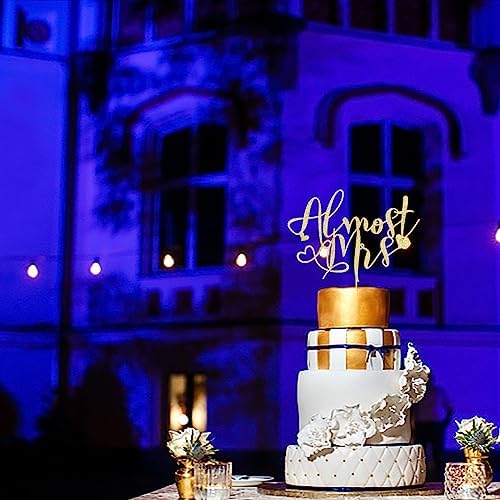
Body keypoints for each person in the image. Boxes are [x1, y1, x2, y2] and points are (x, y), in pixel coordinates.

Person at [413, 377, 453, 481]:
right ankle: (424, 478)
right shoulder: (418, 393)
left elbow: (449, 408)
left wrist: (444, 423)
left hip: (435, 425)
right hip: (421, 425)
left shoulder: (438, 391)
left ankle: (439, 478)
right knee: (422, 454)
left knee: (438, 454)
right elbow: (413, 409)